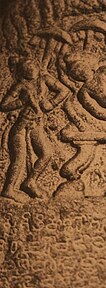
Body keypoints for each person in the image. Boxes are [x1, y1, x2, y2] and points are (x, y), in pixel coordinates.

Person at [0, 57, 69, 202]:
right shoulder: (20, 86)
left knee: (46, 154)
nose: (31, 70)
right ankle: (8, 189)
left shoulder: (44, 79)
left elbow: (64, 90)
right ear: (22, 71)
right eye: (27, 68)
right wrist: (22, 101)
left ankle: (30, 181)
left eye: (33, 67)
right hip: (22, 125)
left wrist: (51, 103)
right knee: (19, 158)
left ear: (38, 67)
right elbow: (4, 105)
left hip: (36, 124)